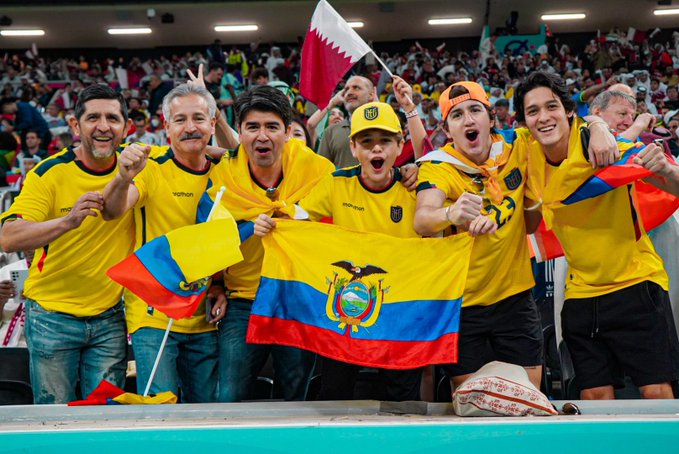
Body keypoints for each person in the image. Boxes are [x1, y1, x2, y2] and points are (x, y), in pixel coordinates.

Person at [513, 71, 679, 400]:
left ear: (568, 110)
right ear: (524, 123)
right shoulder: (525, 152)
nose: (544, 117)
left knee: (658, 395)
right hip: (580, 295)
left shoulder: (605, 146)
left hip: (636, 285)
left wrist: (664, 168)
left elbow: (672, 184)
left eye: (552, 107)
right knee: (594, 400)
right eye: (533, 112)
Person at [254, 102, 423, 401]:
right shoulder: (336, 183)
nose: (376, 151)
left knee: (401, 397)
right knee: (335, 391)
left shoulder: (418, 189)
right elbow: (299, 219)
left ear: (400, 145)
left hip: (400, 309)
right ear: (353, 147)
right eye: (367, 142)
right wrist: (276, 221)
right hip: (348, 307)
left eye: (385, 141)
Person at [0, 84, 135, 404]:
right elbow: (8, 237)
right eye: (93, 118)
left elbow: (198, 151)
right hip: (51, 315)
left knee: (105, 417)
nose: (103, 126)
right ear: (75, 125)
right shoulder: (48, 173)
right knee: (54, 417)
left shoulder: (139, 167)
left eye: (112, 118)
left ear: (126, 127)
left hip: (109, 317)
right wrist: (67, 221)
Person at [207, 85, 335, 402]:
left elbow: (352, 199)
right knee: (230, 398)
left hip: (298, 300)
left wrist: (407, 171)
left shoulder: (317, 169)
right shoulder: (223, 176)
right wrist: (217, 283)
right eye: (252, 127)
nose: (262, 136)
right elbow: (209, 238)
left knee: (294, 395)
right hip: (243, 301)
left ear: (288, 132)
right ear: (240, 132)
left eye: (272, 127)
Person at [413, 81, 544, 390]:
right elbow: (422, 219)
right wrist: (450, 214)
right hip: (463, 305)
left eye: (475, 110)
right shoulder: (438, 167)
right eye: (457, 115)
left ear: (491, 119)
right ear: (447, 130)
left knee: (527, 396)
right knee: (476, 400)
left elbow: (567, 123)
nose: (468, 120)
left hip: (514, 298)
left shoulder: (518, 146)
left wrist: (597, 125)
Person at [102, 83, 225, 402]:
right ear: (166, 125)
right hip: (154, 315)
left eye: (199, 118)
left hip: (205, 318)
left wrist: (219, 286)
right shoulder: (151, 168)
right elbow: (113, 210)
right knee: (159, 412)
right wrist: (122, 176)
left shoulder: (227, 174)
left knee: (206, 415)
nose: (190, 127)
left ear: (213, 124)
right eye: (180, 119)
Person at [318, 76, 377, 168]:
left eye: (356, 87)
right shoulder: (330, 131)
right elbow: (321, 171)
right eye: (346, 90)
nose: (349, 93)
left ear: (371, 95)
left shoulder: (384, 127)